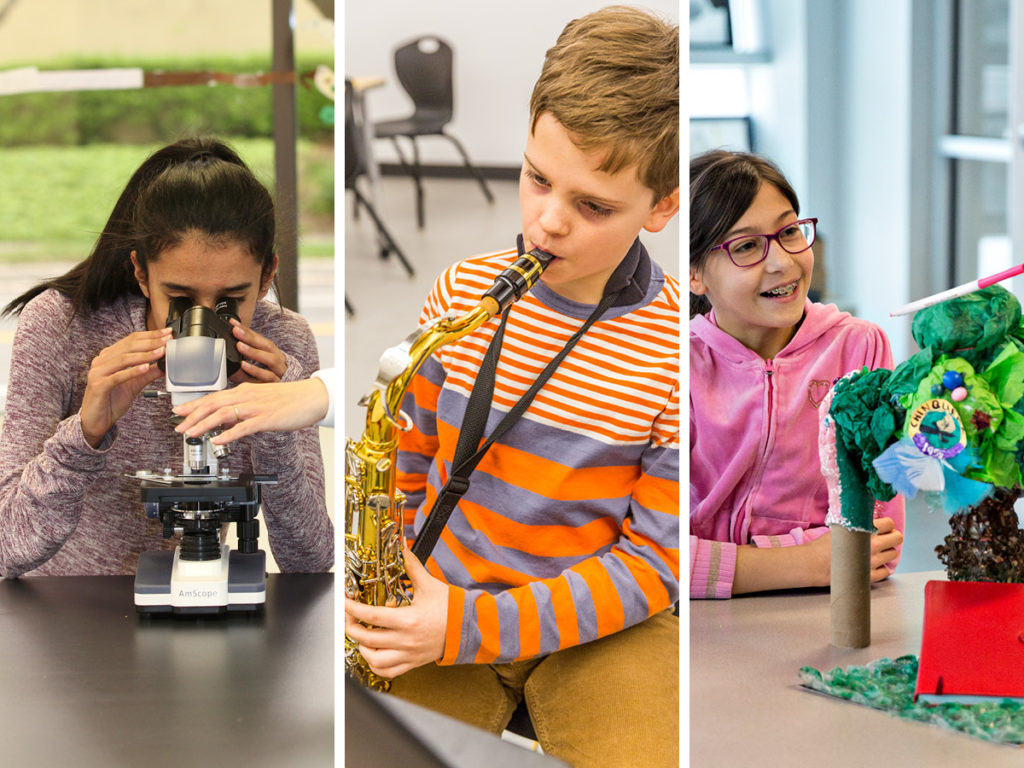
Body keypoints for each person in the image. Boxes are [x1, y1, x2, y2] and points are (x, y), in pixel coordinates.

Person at [344, 8, 679, 768]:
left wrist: (467, 626)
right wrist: (386, 574)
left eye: (592, 205)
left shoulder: (673, 348)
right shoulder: (459, 292)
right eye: (535, 179)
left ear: (662, 206)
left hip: (602, 626)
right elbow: (400, 466)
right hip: (436, 595)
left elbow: (655, 566)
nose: (547, 223)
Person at [0, 137, 333, 577]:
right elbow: (7, 545)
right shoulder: (63, 326)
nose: (202, 323)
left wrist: (274, 420)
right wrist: (85, 434)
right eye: (179, 297)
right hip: (68, 611)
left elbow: (310, 561)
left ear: (268, 273)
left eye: (230, 300)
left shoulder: (282, 341)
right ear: (141, 272)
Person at [688, 149, 904, 599]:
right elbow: (659, 558)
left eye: (789, 232)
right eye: (746, 246)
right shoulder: (675, 363)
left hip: (829, 610)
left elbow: (877, 542)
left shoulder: (861, 348)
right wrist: (807, 560)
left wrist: (727, 560)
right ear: (694, 275)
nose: (783, 262)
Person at [173, 368, 334, 442]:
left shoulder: (288, 336)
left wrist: (273, 434)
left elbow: (303, 509)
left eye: (235, 299)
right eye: (180, 298)